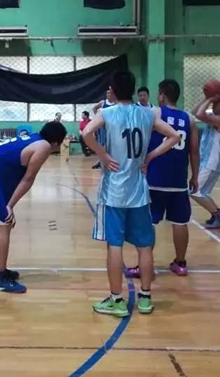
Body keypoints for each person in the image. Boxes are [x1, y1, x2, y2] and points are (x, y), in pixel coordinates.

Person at [82, 71, 180, 318]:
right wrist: (151, 156)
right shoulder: (148, 113)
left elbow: (85, 133)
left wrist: (103, 155)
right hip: (138, 191)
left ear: (113, 90)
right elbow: (174, 136)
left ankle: (117, 300)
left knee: (114, 246)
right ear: (135, 90)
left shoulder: (107, 113)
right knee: (144, 246)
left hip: (114, 192)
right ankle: (145, 298)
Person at [0, 122, 67, 293]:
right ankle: (0, 278)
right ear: (56, 143)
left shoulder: (34, 138)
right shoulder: (43, 147)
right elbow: (28, 179)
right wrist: (9, 206)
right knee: (4, 221)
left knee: (2, 221)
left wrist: (9, 205)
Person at [126, 79, 198, 279]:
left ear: (162, 95)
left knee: (147, 222)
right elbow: (194, 151)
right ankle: (181, 263)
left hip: (155, 177)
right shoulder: (189, 118)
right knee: (180, 222)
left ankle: (144, 266)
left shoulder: (155, 113)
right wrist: (195, 176)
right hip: (179, 179)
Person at [191, 92, 220, 230]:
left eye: (216, 103)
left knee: (194, 191)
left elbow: (199, 114)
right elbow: (194, 112)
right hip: (207, 161)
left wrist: (209, 98)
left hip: (212, 161)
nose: (213, 105)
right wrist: (206, 98)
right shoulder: (215, 119)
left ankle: (219, 216)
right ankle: (217, 215)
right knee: (201, 192)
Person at [91, 89, 116, 169]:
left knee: (112, 143)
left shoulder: (116, 103)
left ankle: (110, 159)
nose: (109, 94)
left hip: (112, 126)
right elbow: (94, 108)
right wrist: (98, 117)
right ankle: (100, 160)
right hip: (103, 127)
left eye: (110, 93)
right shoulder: (103, 102)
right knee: (102, 144)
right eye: (107, 93)